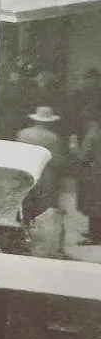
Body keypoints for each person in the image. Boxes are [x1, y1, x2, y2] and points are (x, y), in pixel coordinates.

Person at [76, 104, 101, 245]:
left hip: (96, 173)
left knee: (93, 204)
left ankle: (94, 236)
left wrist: (73, 146)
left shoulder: (93, 132)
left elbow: (84, 155)